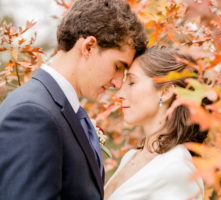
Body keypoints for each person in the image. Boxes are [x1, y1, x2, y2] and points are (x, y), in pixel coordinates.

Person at [0, 0, 147, 199]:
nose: (118, 83)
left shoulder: (62, 109)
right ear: (88, 47)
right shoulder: (33, 114)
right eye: (118, 66)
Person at [104, 46, 207, 200]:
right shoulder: (131, 157)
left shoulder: (177, 168)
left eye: (131, 82)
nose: (119, 94)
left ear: (165, 93)